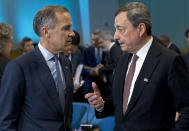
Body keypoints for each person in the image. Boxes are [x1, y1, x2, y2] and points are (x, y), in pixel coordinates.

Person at [85, 2, 189, 130]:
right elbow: (125, 107)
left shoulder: (169, 60)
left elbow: (186, 111)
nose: (115, 36)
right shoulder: (123, 61)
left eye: (121, 29)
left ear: (140, 29)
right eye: (115, 29)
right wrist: (101, 105)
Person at [0, 5, 75, 131]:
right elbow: (6, 122)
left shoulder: (66, 63)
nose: (72, 33)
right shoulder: (19, 67)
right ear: (46, 32)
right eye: (66, 28)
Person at [92, 31, 122, 98]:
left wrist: (101, 69)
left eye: (101, 42)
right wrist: (103, 66)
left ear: (108, 40)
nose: (100, 45)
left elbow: (116, 64)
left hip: (114, 84)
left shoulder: (115, 48)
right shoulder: (112, 49)